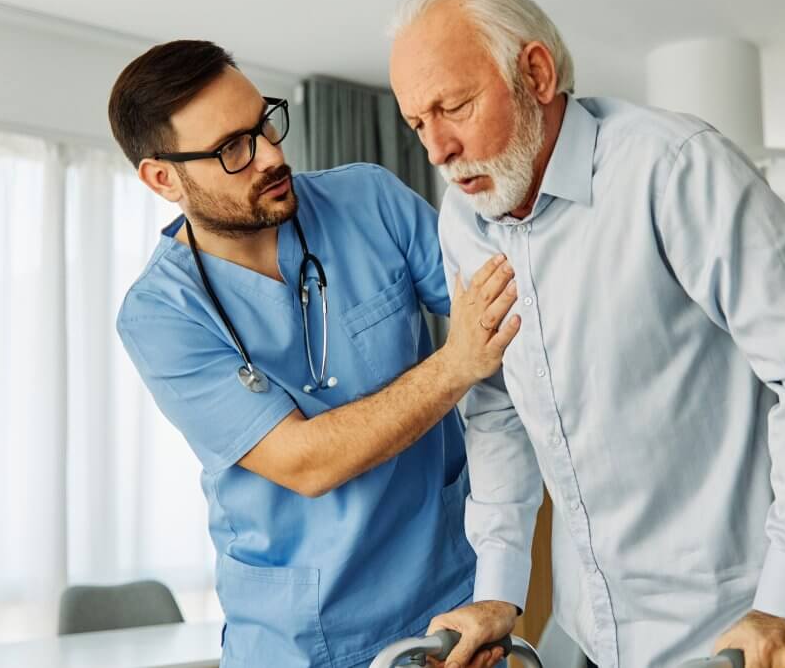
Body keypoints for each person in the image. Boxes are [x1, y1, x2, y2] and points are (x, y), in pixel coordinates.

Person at [387, 0, 785, 667]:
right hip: (595, 635)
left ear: (535, 74)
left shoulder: (672, 167)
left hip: (743, 630)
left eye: (455, 107)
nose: (438, 148)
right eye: (417, 123)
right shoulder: (464, 223)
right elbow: (498, 408)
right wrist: (499, 590)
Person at [108, 40, 523, 668]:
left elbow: (508, 319)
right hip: (300, 638)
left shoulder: (370, 201)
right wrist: (456, 362)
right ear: (163, 178)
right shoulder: (161, 315)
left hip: (447, 601)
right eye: (231, 149)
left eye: (263, 123)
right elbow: (305, 463)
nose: (272, 155)